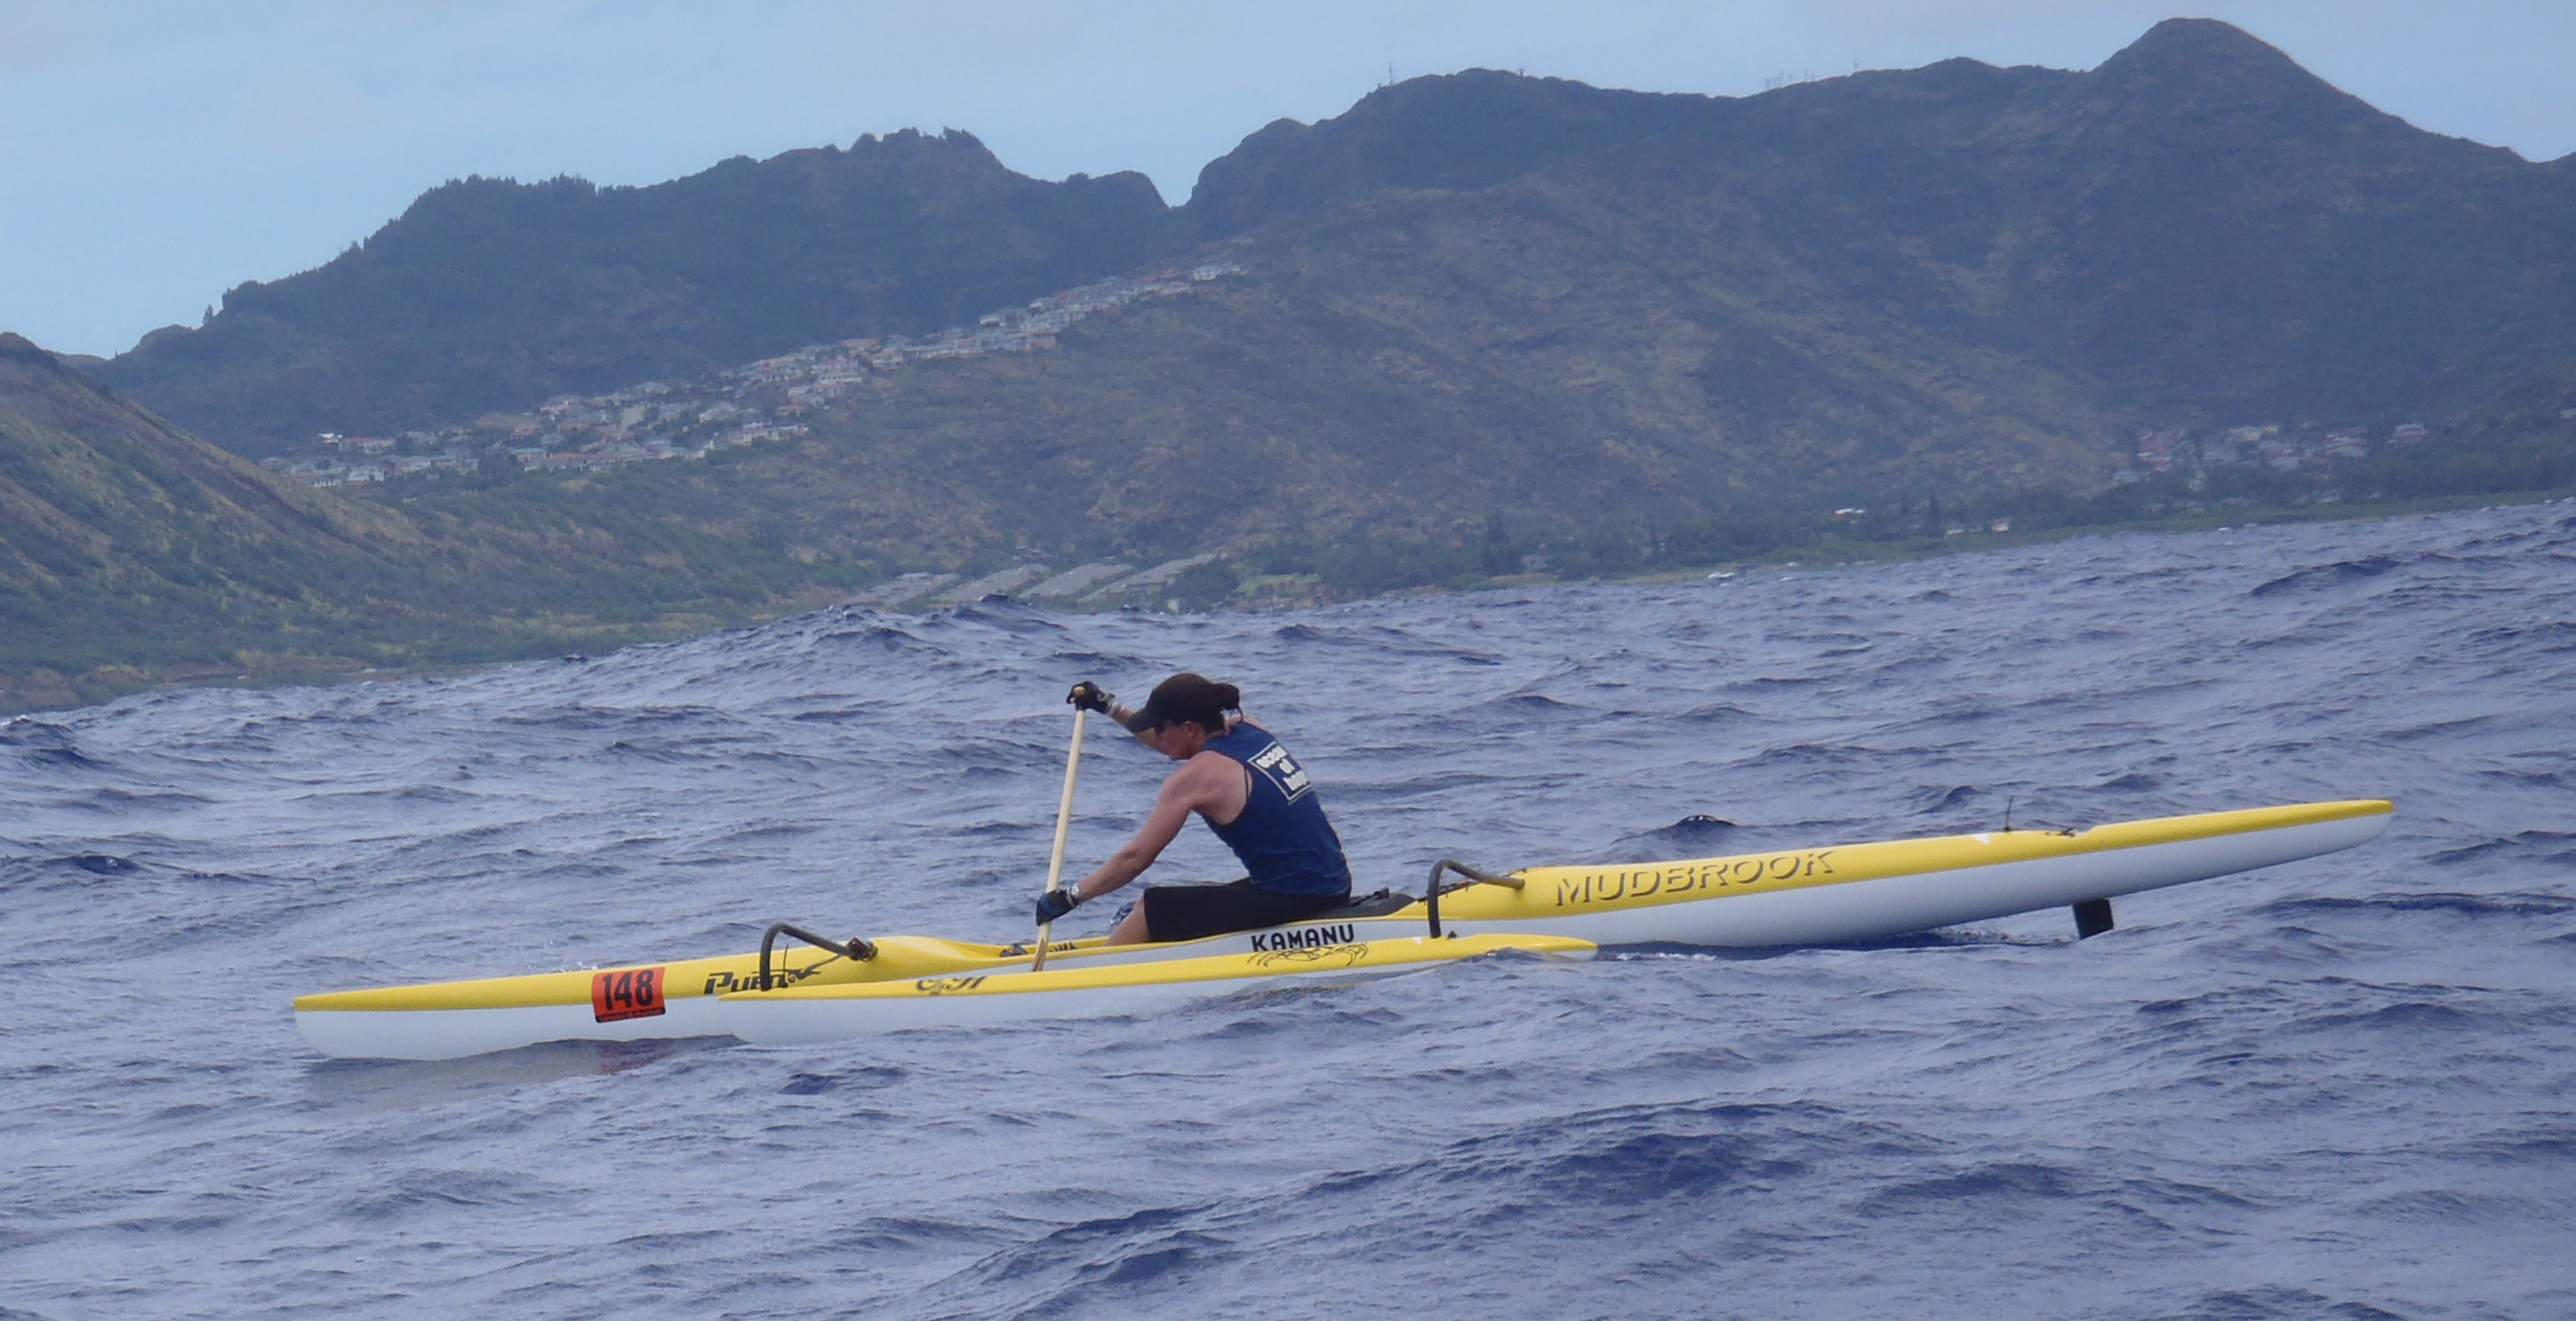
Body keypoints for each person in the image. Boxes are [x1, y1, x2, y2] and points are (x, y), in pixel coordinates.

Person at [1035, 673, 1353, 945]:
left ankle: (1100, 981)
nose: (1157, 737)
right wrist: (1108, 707)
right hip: (1330, 884)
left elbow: (1135, 858)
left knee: (1150, 908)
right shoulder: (1250, 728)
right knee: (1143, 912)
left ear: (1189, 729)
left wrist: (1071, 896)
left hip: (1297, 897)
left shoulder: (1195, 778)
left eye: (1160, 728)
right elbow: (1167, 743)